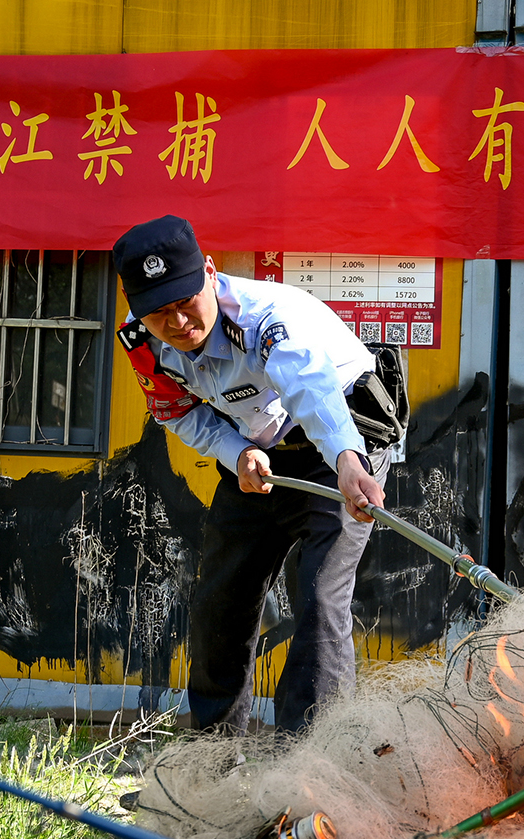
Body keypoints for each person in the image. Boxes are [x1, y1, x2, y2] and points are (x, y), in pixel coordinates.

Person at [111, 214, 401, 736]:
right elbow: (177, 411)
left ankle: (311, 757)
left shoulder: (267, 318)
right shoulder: (141, 342)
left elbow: (310, 389)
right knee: (221, 597)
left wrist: (346, 459)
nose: (177, 322)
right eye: (159, 313)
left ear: (210, 273)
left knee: (319, 596)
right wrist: (236, 451)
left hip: (340, 438)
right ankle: (215, 752)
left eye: (186, 302)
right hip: (255, 450)